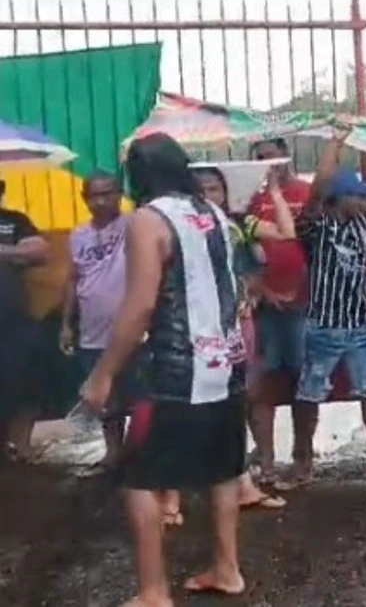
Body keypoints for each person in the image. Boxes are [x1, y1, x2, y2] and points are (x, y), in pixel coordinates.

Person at [79, 133, 249, 604]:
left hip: (176, 372)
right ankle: (226, 568)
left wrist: (103, 373)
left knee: (140, 478)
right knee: (221, 471)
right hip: (227, 365)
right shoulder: (213, 213)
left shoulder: (147, 221)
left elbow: (138, 308)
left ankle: (154, 591)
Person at [287, 131, 366, 488]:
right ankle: (302, 460)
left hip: (360, 323)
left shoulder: (365, 224)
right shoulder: (317, 226)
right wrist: (335, 146)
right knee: (310, 394)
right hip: (325, 323)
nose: (363, 202)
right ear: (339, 198)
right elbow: (317, 189)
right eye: (357, 196)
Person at [194, 165, 296, 511]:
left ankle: (241, 477)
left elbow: (286, 232)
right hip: (200, 327)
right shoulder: (183, 227)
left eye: (215, 189)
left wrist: (275, 193)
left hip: (239, 323)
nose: (209, 196)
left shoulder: (240, 223)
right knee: (207, 400)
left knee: (242, 395)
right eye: (202, 190)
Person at [245, 138, 310, 486]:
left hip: (303, 303)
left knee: (303, 380)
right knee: (262, 383)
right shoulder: (249, 202)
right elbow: (242, 254)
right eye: (262, 159)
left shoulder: (307, 192)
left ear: (289, 156)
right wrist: (264, 291)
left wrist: (302, 288)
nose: (270, 163)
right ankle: (266, 456)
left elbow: (316, 246)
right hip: (263, 306)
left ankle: (303, 454)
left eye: (275, 156)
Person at [61, 173, 128, 475]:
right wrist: (66, 324)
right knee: (105, 401)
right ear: (83, 199)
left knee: (140, 398)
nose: (100, 201)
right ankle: (114, 454)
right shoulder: (78, 236)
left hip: (132, 331)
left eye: (107, 193)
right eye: (93, 196)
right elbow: (73, 279)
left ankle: (140, 458)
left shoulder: (133, 226)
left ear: (120, 194)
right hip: (92, 331)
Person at [0, 178, 49, 463]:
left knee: (24, 381)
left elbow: (40, 251)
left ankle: (20, 443)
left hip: (14, 319)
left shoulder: (15, 221)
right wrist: (14, 254)